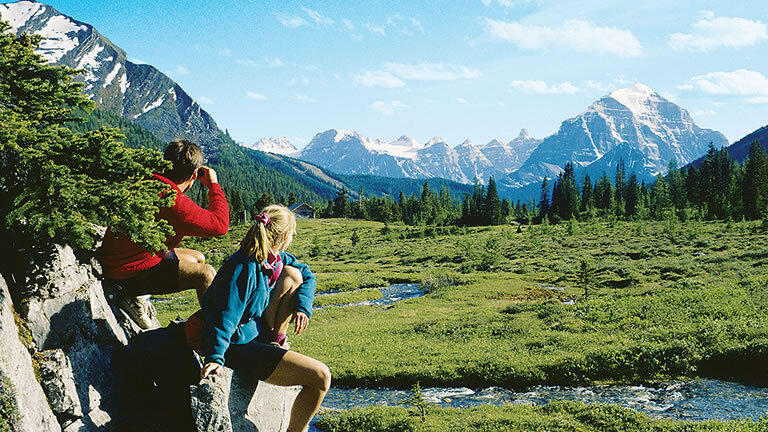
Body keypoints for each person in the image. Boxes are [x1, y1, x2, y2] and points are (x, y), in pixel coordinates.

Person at [199, 204, 330, 432]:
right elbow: (224, 316)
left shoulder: (275, 258)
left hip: (254, 336)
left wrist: (303, 307)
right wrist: (215, 357)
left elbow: (307, 274)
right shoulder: (244, 266)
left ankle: (275, 341)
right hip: (237, 347)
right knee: (320, 377)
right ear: (285, 236)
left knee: (294, 275)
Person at [99, 139, 229, 328]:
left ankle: (140, 295)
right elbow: (220, 225)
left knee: (198, 258)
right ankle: (215, 335)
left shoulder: (148, 181)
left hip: (125, 258)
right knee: (206, 274)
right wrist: (213, 186)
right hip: (126, 273)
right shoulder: (175, 202)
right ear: (194, 174)